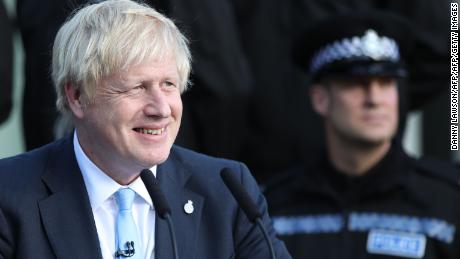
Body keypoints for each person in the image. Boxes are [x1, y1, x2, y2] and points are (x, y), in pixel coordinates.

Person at [0, 1, 292, 259]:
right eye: (137, 87)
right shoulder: (9, 195)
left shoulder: (228, 192)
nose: (161, 109)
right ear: (77, 96)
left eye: (169, 85)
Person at [265, 12, 460, 259]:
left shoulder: (448, 200)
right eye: (356, 84)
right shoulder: (274, 207)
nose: (374, 99)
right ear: (320, 99)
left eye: (386, 82)